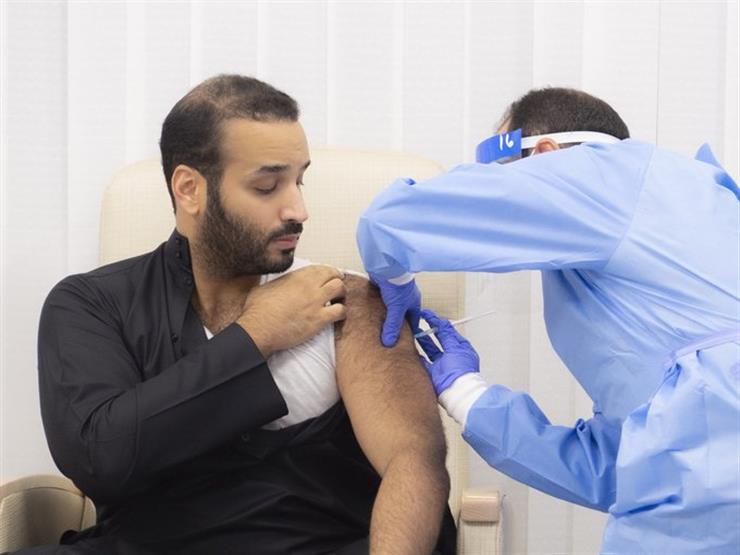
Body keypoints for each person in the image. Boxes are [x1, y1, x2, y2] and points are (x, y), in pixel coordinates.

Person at [32, 75, 455, 555]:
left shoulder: (345, 301)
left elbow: (414, 460)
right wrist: (256, 334)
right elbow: (99, 459)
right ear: (189, 189)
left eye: (299, 180)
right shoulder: (91, 304)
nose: (298, 209)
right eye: (267, 186)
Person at [356, 87, 739, 554]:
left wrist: (395, 277)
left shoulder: (601, 176)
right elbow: (614, 470)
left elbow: (389, 221)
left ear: (546, 155)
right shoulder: (684, 213)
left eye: (501, 176)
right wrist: (467, 395)